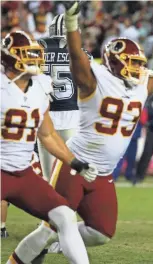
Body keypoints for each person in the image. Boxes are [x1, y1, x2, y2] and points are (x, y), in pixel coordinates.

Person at [17, 2, 153, 262]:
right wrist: (72, 24)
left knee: (101, 232)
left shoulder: (143, 83)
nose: (137, 68)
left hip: (103, 173)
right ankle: (21, 257)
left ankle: (51, 242)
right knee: (53, 225)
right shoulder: (95, 79)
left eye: (138, 63)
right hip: (75, 165)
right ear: (114, 61)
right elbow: (77, 57)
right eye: (132, 62)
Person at [1, 30, 98, 264]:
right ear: (9, 57)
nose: (34, 59)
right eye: (28, 54)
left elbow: (47, 134)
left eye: (36, 54)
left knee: (65, 216)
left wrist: (74, 162)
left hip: (23, 174)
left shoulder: (41, 85)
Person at [36, 14, 92, 181]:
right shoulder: (81, 53)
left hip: (45, 114)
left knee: (48, 177)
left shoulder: (39, 47)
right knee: (75, 175)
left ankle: (51, 206)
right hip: (73, 115)